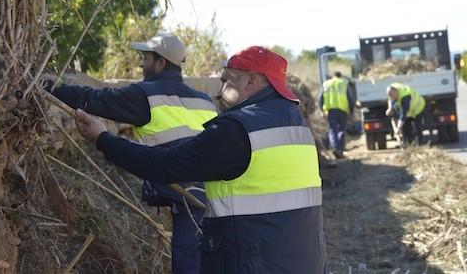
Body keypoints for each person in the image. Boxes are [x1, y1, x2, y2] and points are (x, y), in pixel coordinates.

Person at [72, 46, 327, 274]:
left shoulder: (238, 130)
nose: (220, 90)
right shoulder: (296, 124)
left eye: (227, 81)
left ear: (251, 80)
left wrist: (102, 138)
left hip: (253, 263)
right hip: (304, 261)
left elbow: (163, 166)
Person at [45, 34, 217, 274]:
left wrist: (46, 87)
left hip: (187, 198)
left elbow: (93, 99)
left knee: (188, 265)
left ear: (161, 63)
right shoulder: (205, 100)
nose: (140, 64)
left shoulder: (147, 96)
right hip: (215, 195)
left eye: (145, 58)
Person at [319, 71, 354, 159]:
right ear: (341, 76)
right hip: (343, 109)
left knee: (332, 130)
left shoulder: (326, 83)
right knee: (341, 129)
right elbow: (350, 98)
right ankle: (340, 150)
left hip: (331, 110)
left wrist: (322, 110)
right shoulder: (344, 83)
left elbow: (320, 98)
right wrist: (351, 110)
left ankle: (335, 147)